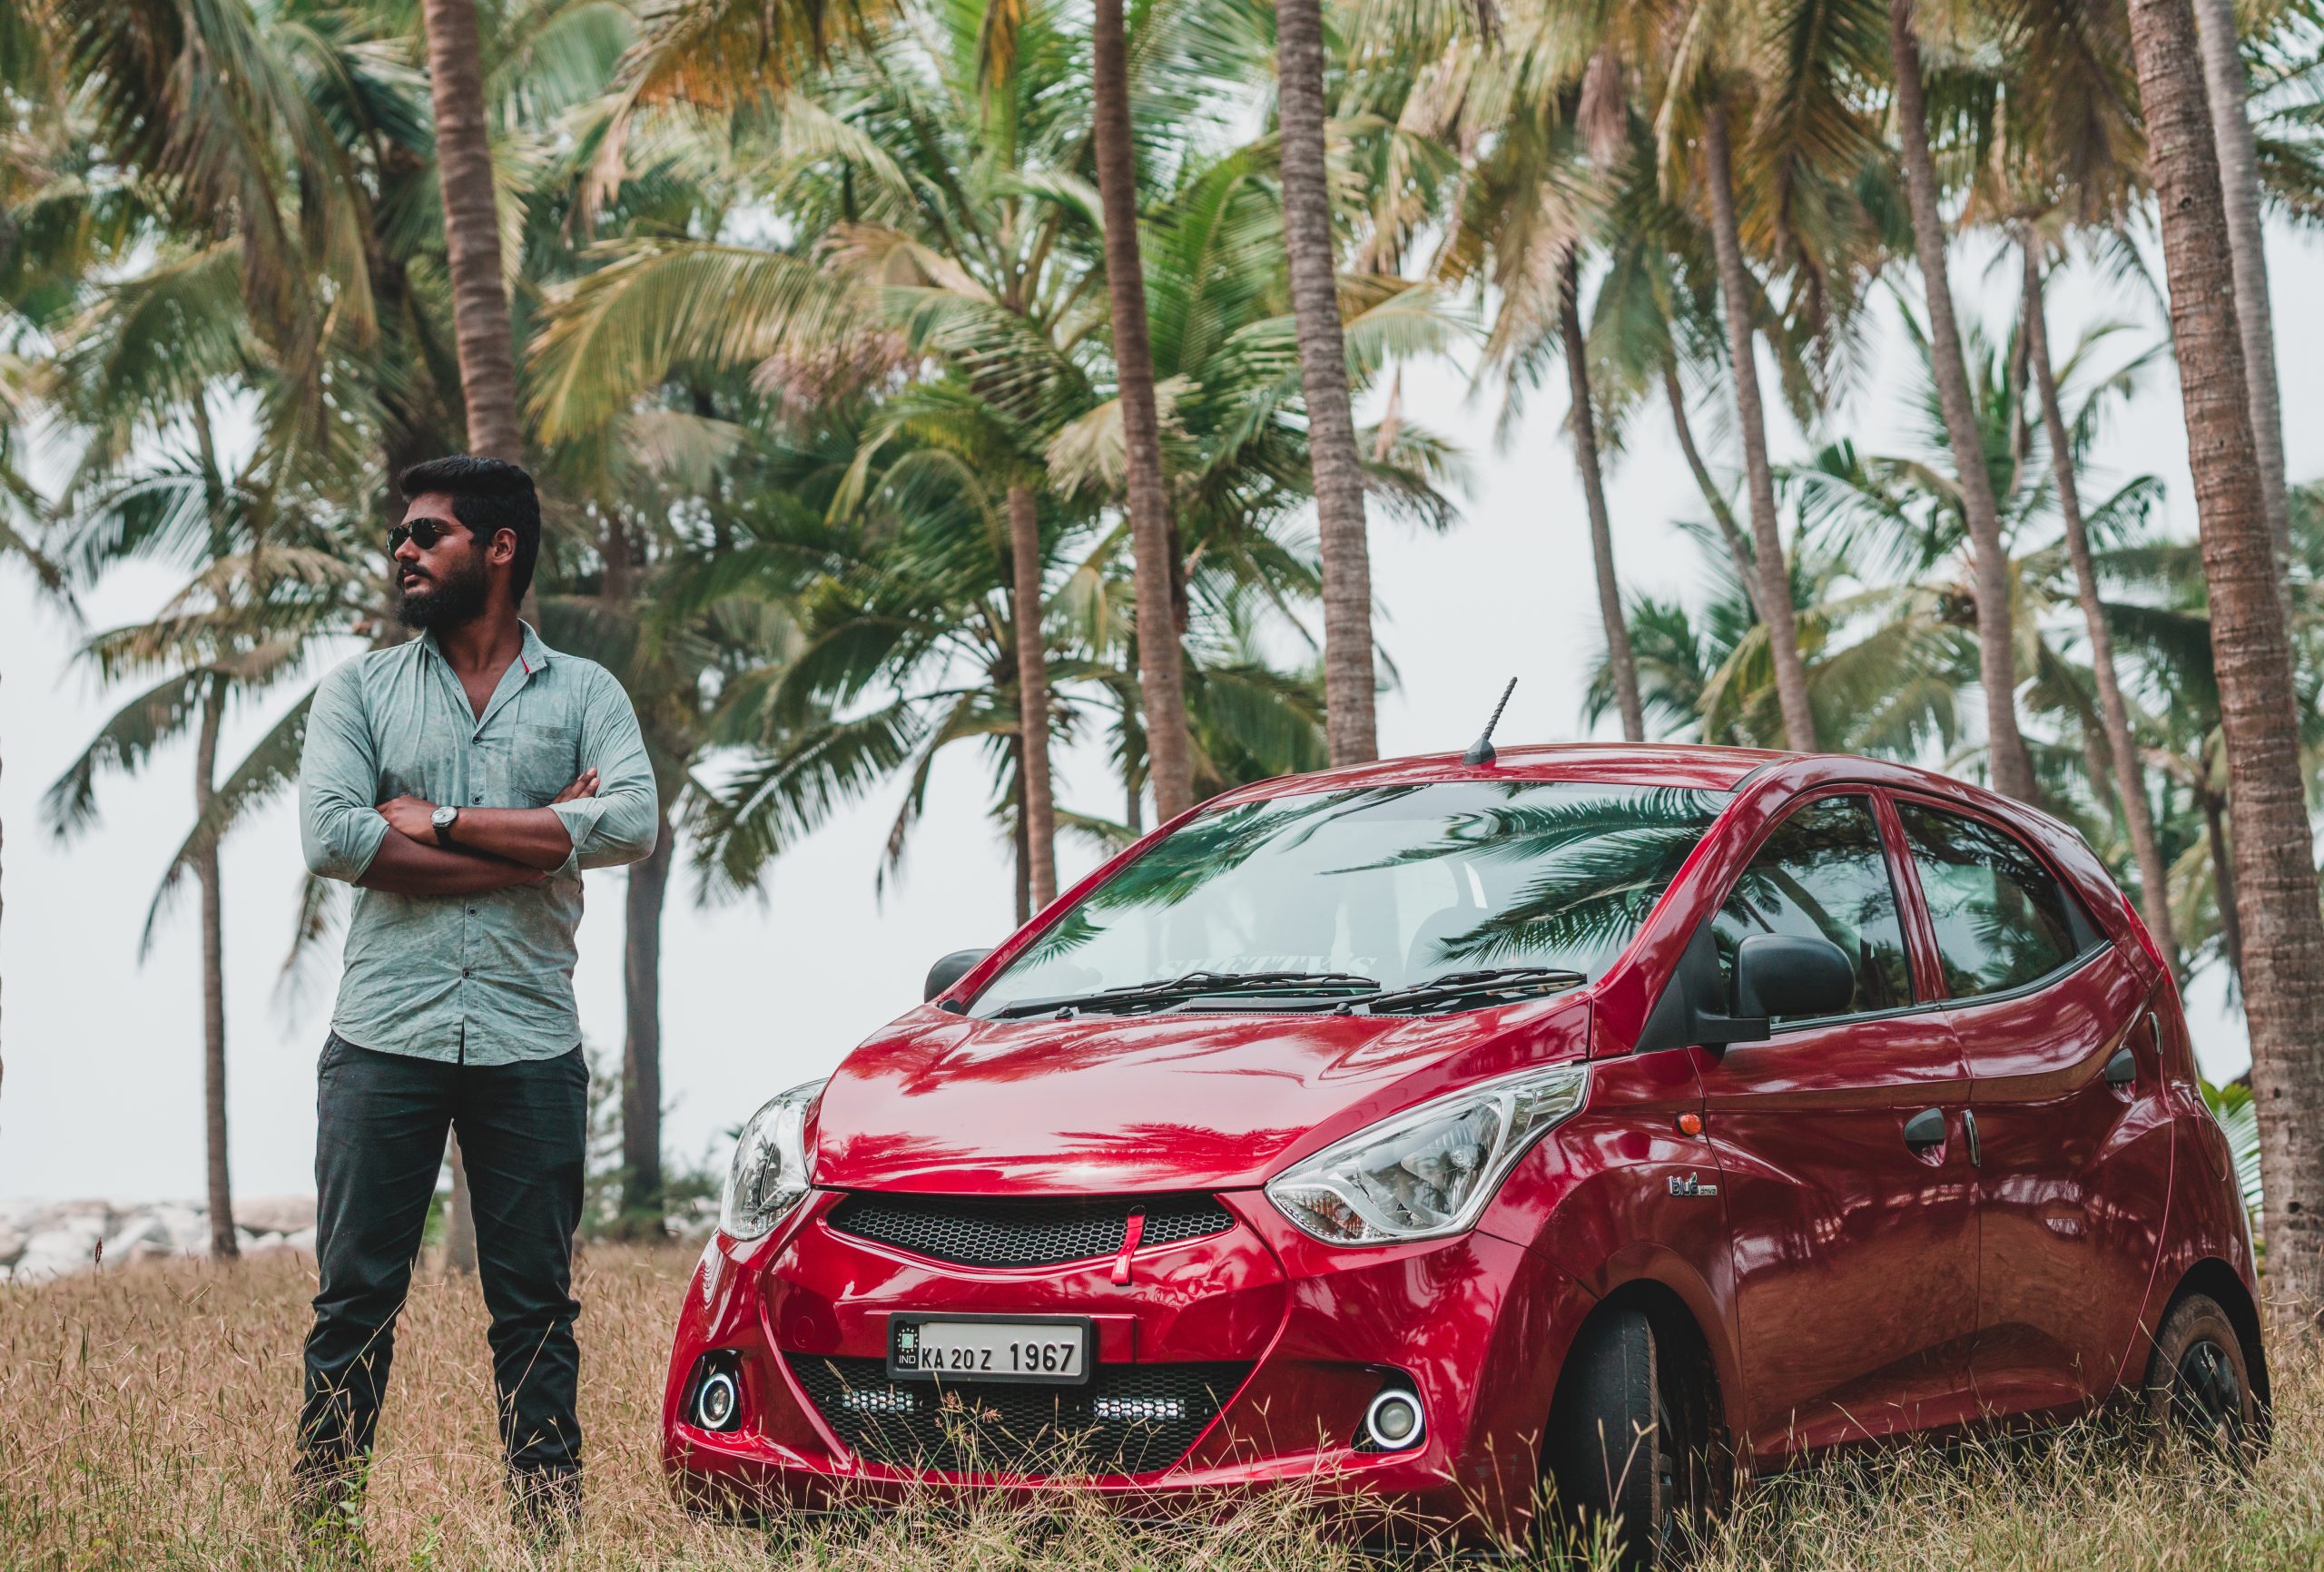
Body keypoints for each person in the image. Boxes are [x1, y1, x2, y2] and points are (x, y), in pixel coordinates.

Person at [293, 455, 659, 1543]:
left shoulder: (588, 692)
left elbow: (631, 823)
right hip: (383, 1038)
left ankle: (550, 1543)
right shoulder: (357, 689)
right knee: (355, 1299)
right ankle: (321, 1535)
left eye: (429, 532)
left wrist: (442, 822)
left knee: (536, 1313)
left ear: (499, 549)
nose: (404, 548)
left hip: (528, 1041)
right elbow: (337, 838)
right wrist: (543, 839)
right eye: (402, 533)